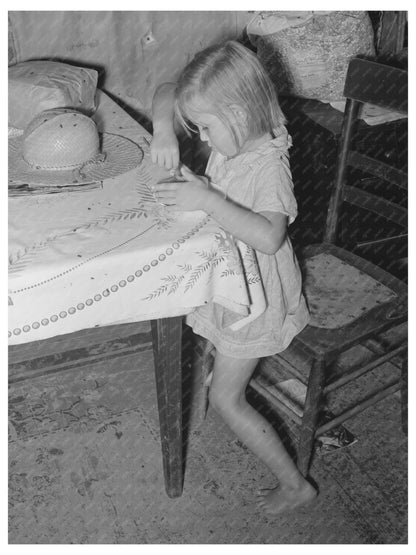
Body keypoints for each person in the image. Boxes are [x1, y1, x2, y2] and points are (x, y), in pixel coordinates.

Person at [150, 40, 317, 515]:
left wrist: (208, 200)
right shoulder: (241, 130)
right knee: (206, 337)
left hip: (257, 296)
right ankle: (210, 385)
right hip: (230, 278)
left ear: (240, 112)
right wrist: (165, 126)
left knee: (228, 397)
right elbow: (167, 89)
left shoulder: (269, 167)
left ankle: (295, 486)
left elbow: (268, 237)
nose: (200, 137)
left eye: (205, 127)